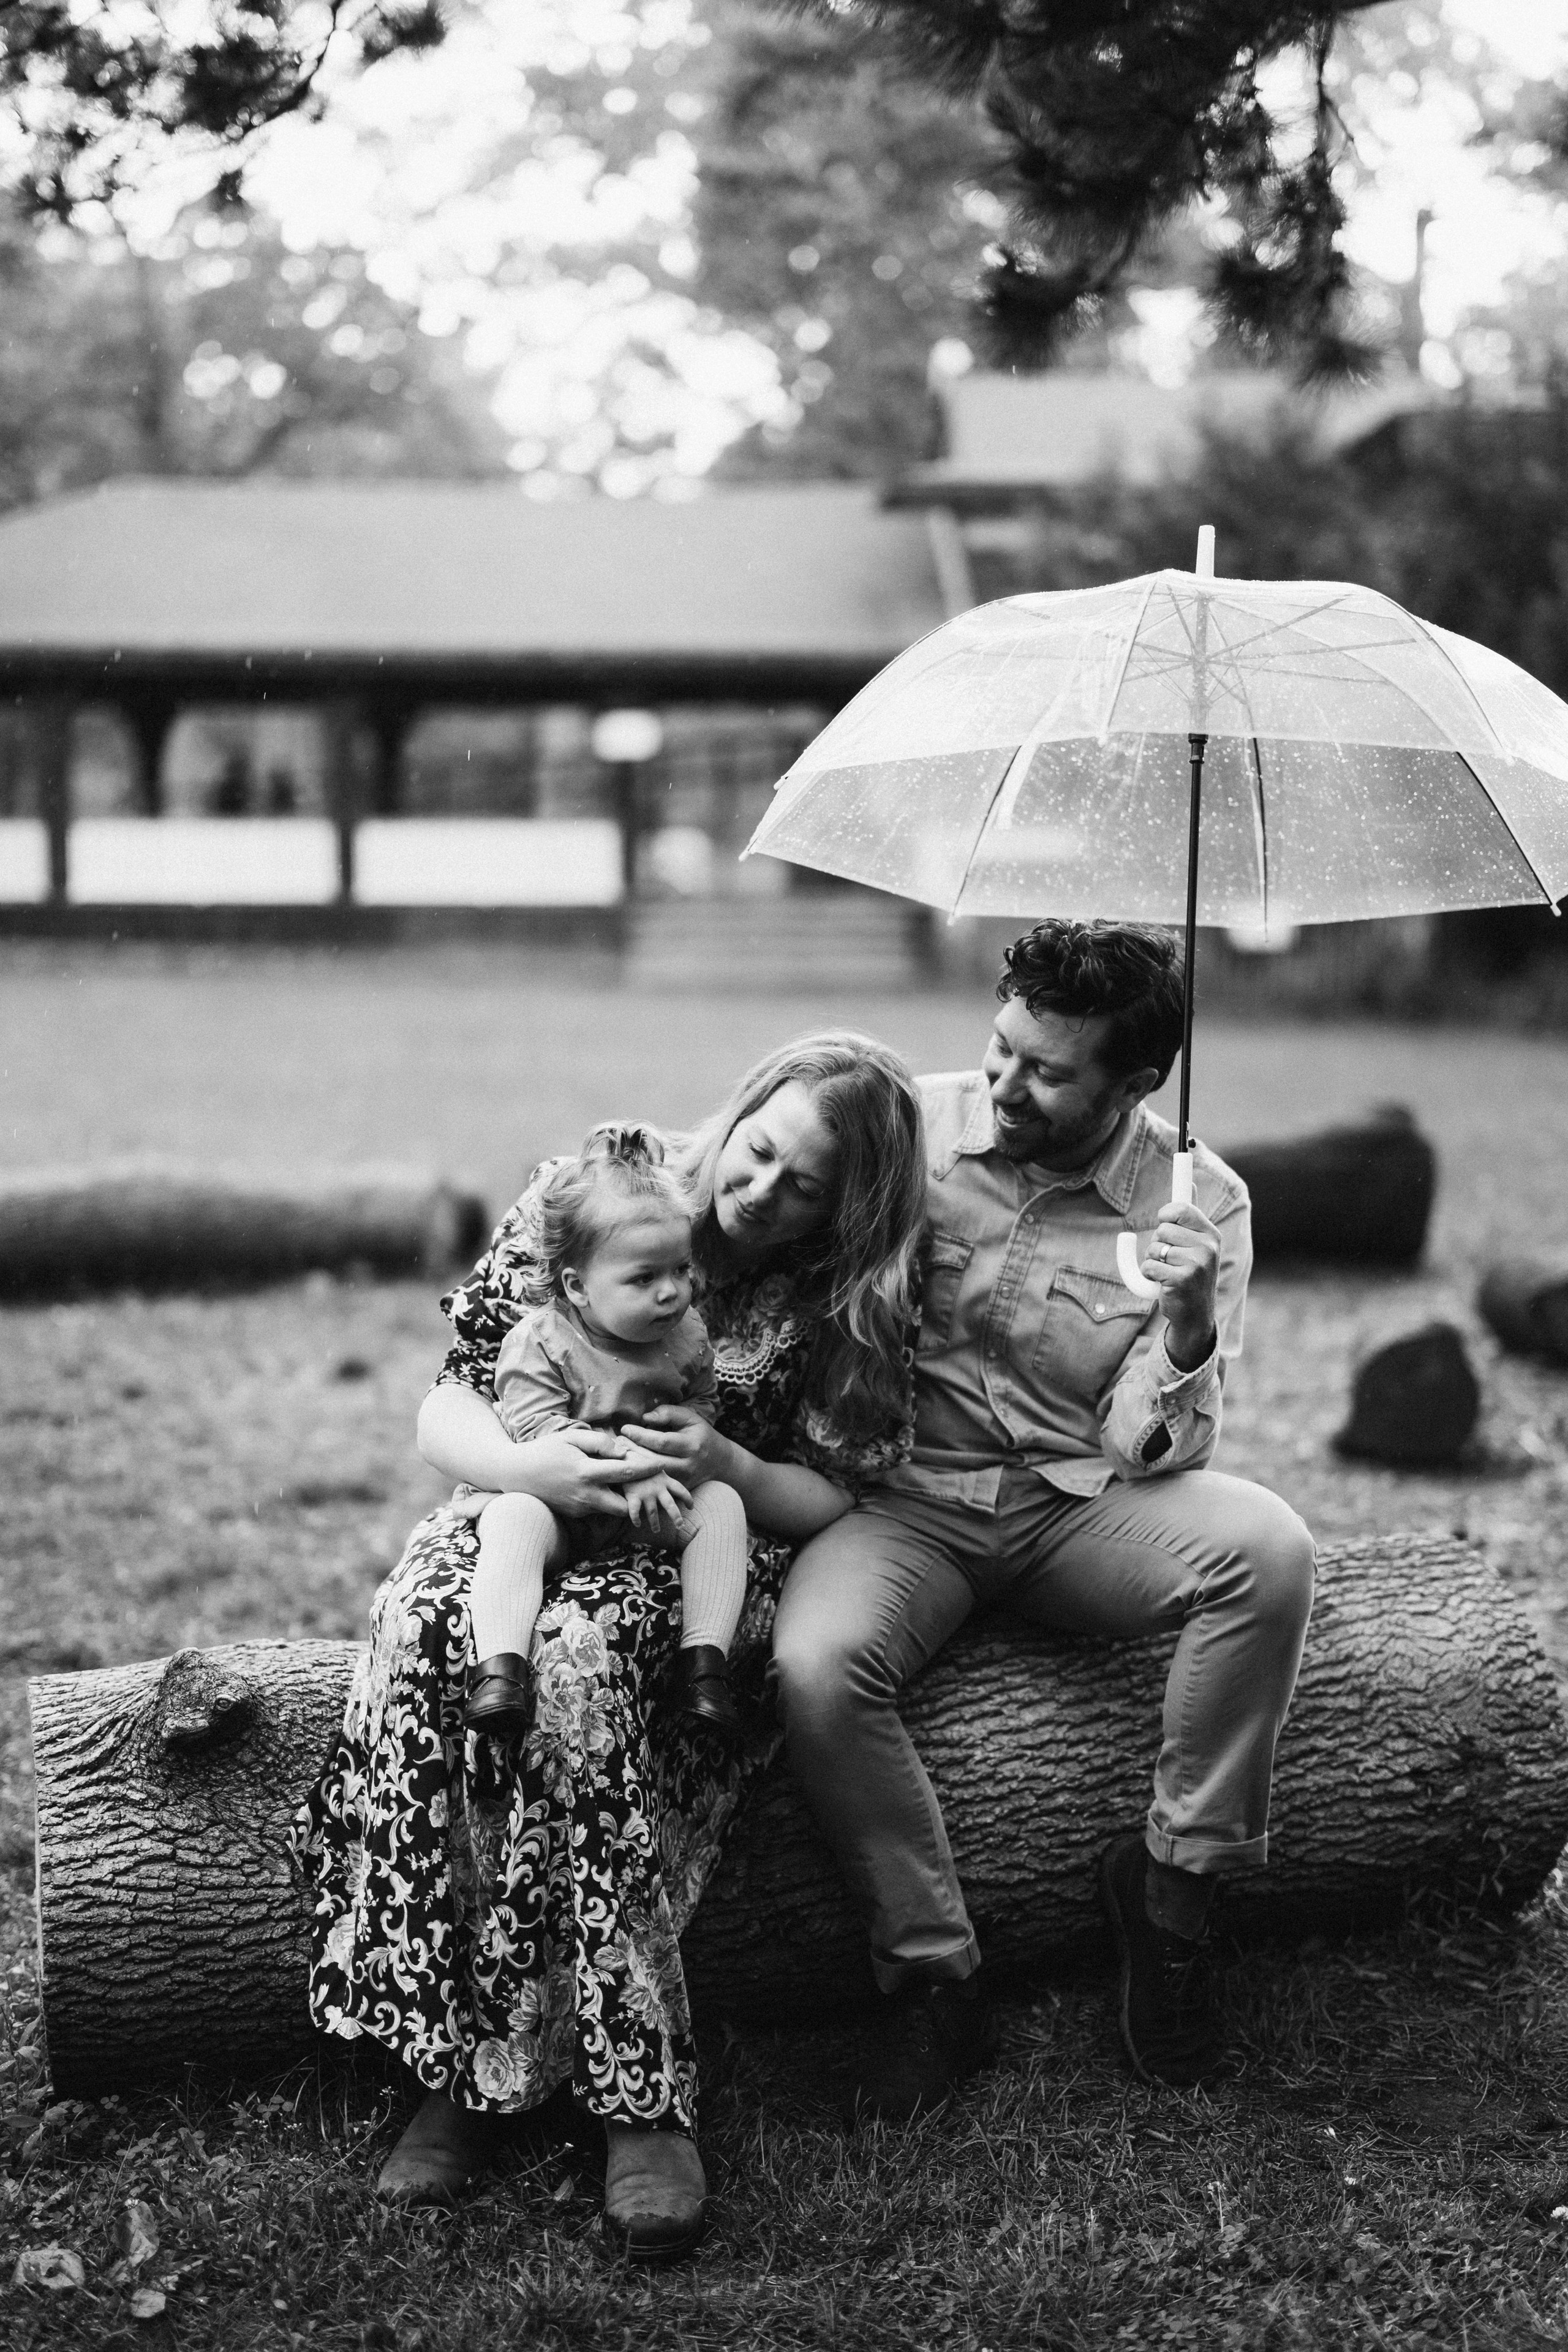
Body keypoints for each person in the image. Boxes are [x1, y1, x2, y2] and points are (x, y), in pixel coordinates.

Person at [292, 1033, 925, 2254]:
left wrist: (729, 1461)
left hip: (692, 1549)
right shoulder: (594, 1185)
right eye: (758, 1152)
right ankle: (460, 2066)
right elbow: (450, 1394)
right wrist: (526, 1465)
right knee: (430, 1623)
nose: (758, 1193)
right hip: (523, 1500)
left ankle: (641, 2098)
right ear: (737, 1113)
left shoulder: (836, 1293)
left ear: (843, 1210)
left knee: (577, 1669)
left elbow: (839, 1497)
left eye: (803, 1187)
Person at [772, 920, 1316, 2122]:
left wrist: (1180, 1327)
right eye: (1001, 1050)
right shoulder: (906, 1128)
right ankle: (931, 1976)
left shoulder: (1198, 1202)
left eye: (1048, 1072)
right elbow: (753, 1210)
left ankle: (1173, 1889)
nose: (1007, 1087)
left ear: (1132, 1083)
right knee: (814, 1666)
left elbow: (1149, 1444)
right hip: (903, 1505)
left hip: (1077, 1507)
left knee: (1266, 1553)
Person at [462, 1122, 749, 1743]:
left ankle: (703, 1667)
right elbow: (537, 1427)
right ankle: (501, 1671)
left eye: (679, 1268)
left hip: (648, 1509)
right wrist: (633, 1461)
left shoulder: (687, 1335)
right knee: (513, 1519)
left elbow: (700, 1400)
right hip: (562, 1506)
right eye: (644, 1279)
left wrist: (687, 1437)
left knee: (722, 1504)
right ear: (577, 1287)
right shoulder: (541, 1342)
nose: (672, 1291)